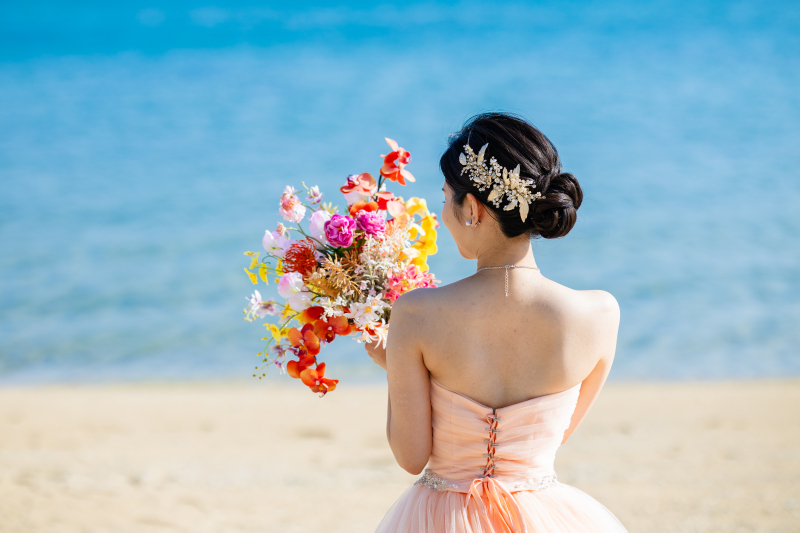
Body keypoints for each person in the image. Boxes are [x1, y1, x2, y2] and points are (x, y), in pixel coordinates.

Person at [365, 113, 627, 532]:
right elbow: (550, 437)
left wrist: (398, 369)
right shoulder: (600, 314)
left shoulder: (416, 314)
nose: (442, 216)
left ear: (472, 207)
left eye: (446, 197)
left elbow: (411, 456)